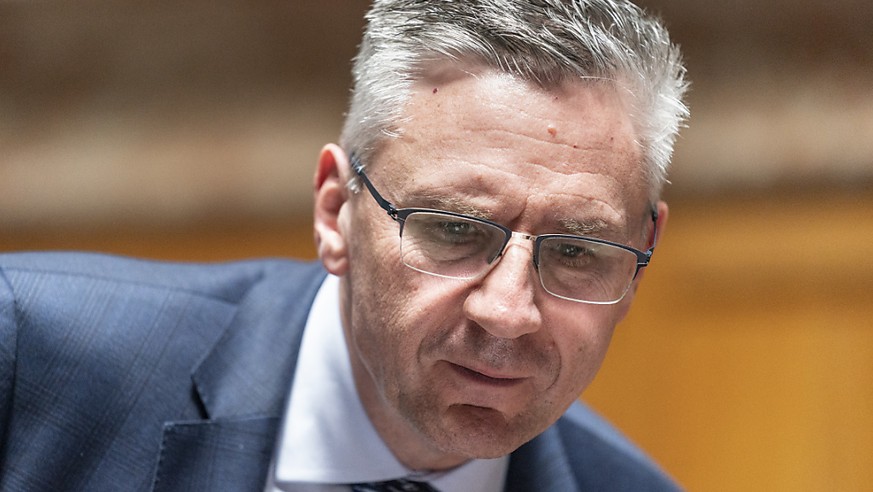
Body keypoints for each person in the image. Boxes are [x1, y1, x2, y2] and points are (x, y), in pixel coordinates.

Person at [0, 0, 689, 490]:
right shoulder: (28, 358)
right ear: (335, 210)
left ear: (641, 256)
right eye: (453, 229)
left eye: (576, 252)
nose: (507, 314)